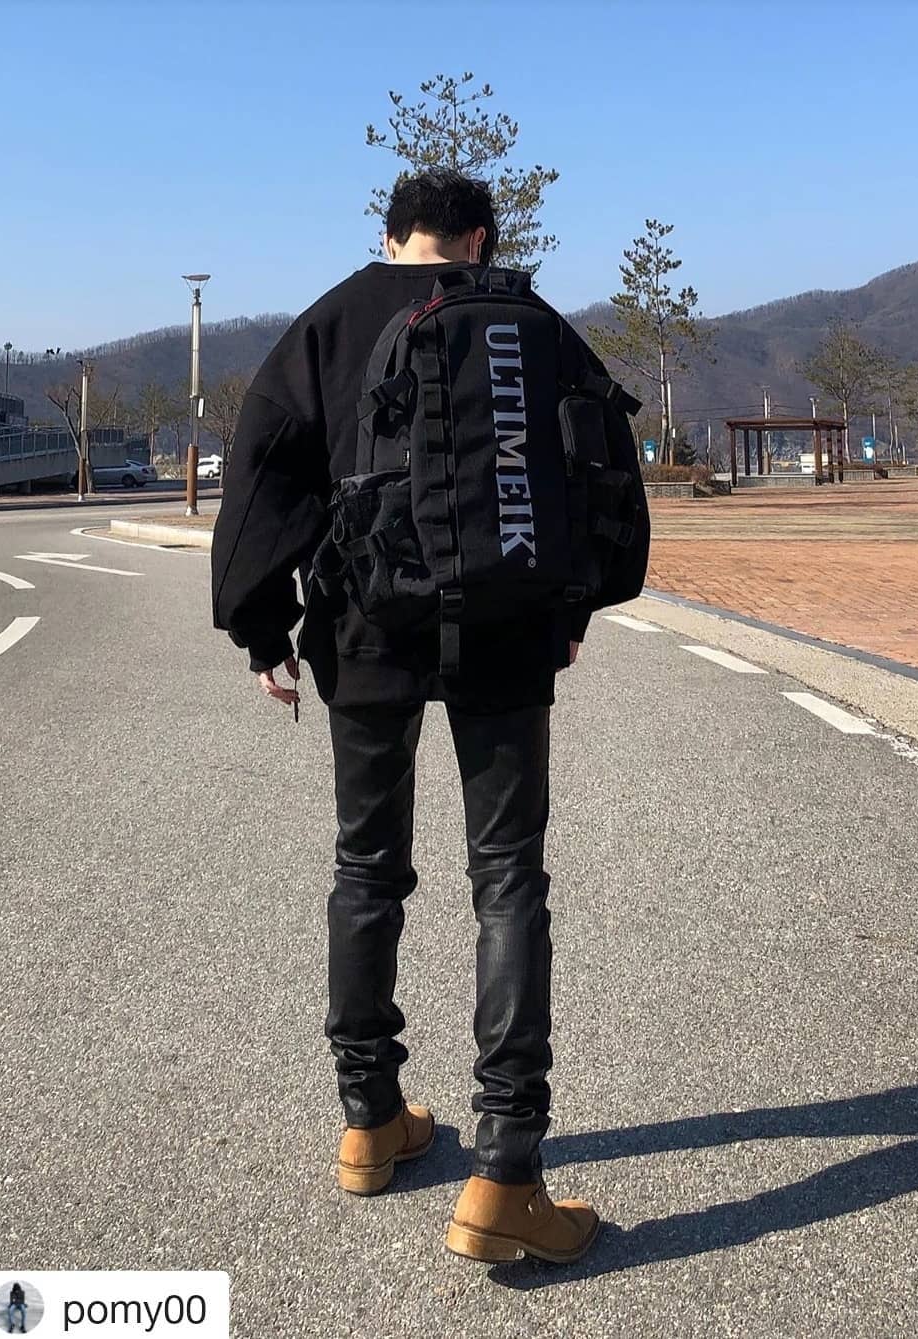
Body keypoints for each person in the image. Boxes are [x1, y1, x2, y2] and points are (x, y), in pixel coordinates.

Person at [212, 169, 605, 1264]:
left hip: (366, 632)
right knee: (508, 878)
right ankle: (507, 1171)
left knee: (367, 868)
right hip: (507, 633)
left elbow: (264, 472)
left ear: (390, 236)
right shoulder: (528, 321)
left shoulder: (328, 323)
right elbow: (591, 468)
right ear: (477, 238)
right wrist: (570, 609)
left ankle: (370, 1119)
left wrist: (262, 628)